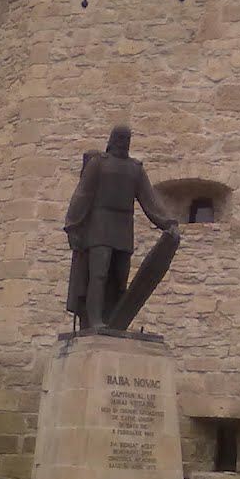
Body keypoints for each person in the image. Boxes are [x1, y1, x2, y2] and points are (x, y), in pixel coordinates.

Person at [64, 126, 178, 329]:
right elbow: (82, 195)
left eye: (126, 138)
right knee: (98, 274)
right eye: (120, 138)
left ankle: (113, 319)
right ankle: (94, 320)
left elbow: (149, 199)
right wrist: (73, 226)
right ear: (112, 139)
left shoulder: (135, 169)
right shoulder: (98, 164)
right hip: (99, 226)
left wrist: (168, 223)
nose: (122, 141)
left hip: (123, 228)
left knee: (119, 278)